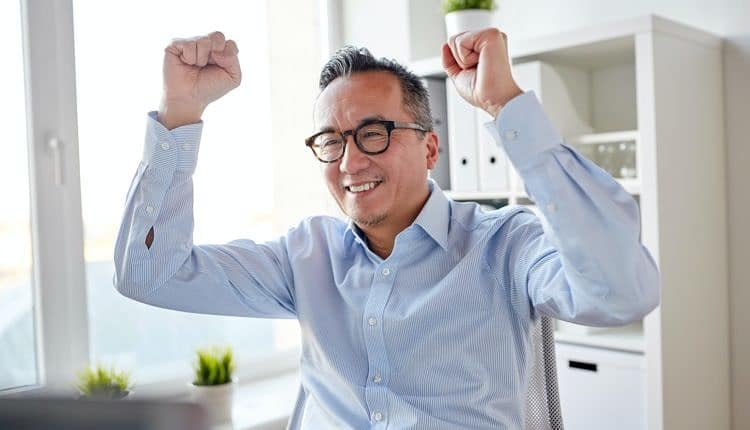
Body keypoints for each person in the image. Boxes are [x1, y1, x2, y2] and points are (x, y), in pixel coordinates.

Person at [114, 28, 660, 429]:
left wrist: (504, 104)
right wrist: (180, 110)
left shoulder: (506, 244)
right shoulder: (306, 257)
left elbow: (622, 293)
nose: (350, 163)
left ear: (430, 147)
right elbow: (148, 275)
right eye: (331, 141)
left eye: (373, 132)